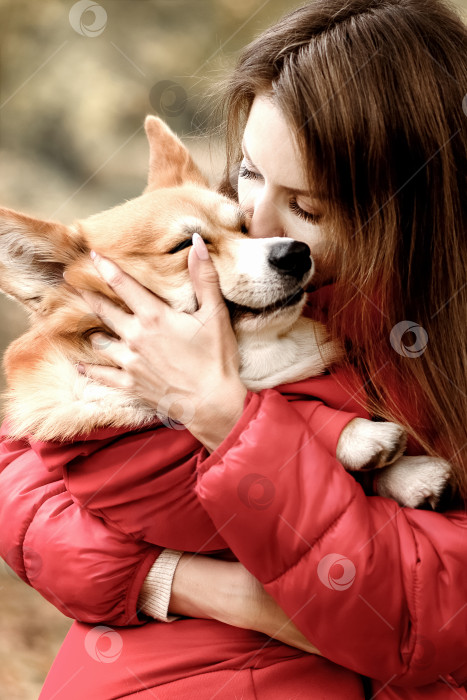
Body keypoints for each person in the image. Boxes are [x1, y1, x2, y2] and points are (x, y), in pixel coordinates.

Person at [1, 0, 466, 697]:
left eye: (306, 208)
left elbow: (422, 617)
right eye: (248, 172)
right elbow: (24, 467)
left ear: (411, 202)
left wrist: (224, 417)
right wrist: (170, 577)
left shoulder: (429, 353)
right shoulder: (216, 264)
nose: (258, 224)